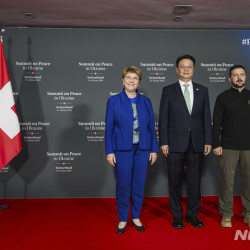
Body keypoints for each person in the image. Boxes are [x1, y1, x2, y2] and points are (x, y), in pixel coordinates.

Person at [159, 55, 212, 229]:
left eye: (190, 66)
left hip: (197, 142)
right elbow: (164, 118)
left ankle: (192, 215)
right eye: (183, 66)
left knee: (194, 182)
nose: (186, 69)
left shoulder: (202, 90)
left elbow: (206, 117)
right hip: (174, 143)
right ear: (177, 69)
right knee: (174, 181)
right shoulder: (168, 90)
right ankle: (177, 216)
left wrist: (208, 140)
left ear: (194, 69)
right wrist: (164, 141)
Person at [105, 66, 158, 234]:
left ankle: (135, 216)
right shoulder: (114, 101)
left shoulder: (146, 101)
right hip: (121, 149)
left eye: (135, 78)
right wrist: (109, 151)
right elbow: (109, 128)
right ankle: (122, 218)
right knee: (123, 185)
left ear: (139, 81)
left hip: (143, 149)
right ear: (123, 80)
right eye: (128, 77)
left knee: (138, 184)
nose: (131, 80)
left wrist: (153, 149)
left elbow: (151, 127)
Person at [213, 65, 250, 228]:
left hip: (249, 147)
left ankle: (248, 213)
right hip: (228, 147)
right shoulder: (222, 97)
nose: (239, 77)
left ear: (246, 77)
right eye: (235, 75)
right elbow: (216, 124)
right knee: (227, 183)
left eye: (242, 74)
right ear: (230, 79)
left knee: (249, 182)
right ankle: (226, 214)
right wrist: (216, 143)